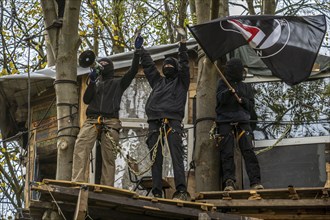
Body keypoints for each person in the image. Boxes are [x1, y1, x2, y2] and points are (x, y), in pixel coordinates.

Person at [71, 36, 143, 186]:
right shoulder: (95, 84)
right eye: (100, 63)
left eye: (105, 64)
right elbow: (86, 100)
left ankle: (106, 186)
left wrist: (137, 52)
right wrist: (91, 82)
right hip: (92, 120)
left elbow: (133, 71)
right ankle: (77, 181)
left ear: (110, 68)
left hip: (111, 122)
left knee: (108, 156)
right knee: (81, 146)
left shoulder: (118, 83)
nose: (102, 65)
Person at [140, 39, 190, 200]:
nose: (167, 67)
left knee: (177, 156)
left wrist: (182, 46)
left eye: (170, 65)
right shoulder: (158, 82)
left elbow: (185, 65)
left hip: (172, 121)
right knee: (156, 158)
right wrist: (141, 50)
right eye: (165, 65)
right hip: (154, 121)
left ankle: (181, 190)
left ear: (175, 68)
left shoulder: (182, 82)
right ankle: (156, 191)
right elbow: (148, 67)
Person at [215, 58, 263, 191]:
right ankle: (229, 182)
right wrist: (228, 93)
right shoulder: (222, 83)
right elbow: (219, 100)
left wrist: (243, 101)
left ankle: (255, 181)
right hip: (225, 121)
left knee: (248, 151)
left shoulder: (246, 87)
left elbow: (251, 106)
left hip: (243, 122)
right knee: (227, 153)